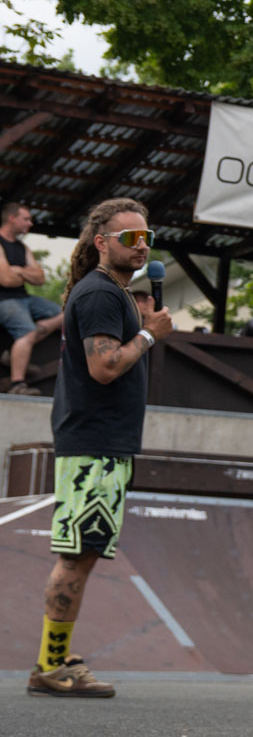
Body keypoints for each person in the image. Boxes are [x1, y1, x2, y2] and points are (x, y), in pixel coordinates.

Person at [27, 198, 173, 697]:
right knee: (77, 553)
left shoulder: (114, 293)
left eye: (146, 237)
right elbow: (104, 366)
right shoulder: (99, 294)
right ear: (102, 243)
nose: (141, 246)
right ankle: (50, 665)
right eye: (130, 238)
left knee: (85, 552)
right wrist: (149, 335)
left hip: (103, 442)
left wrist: (143, 325)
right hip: (93, 442)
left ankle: (56, 656)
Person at [0, 201, 65, 395]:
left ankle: (14, 353)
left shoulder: (22, 247)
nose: (30, 223)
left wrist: (18, 270)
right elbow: (6, 279)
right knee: (26, 332)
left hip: (24, 297)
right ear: (12, 218)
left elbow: (40, 278)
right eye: (26, 219)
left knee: (66, 313)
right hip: (4, 300)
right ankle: (17, 384)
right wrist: (26, 273)